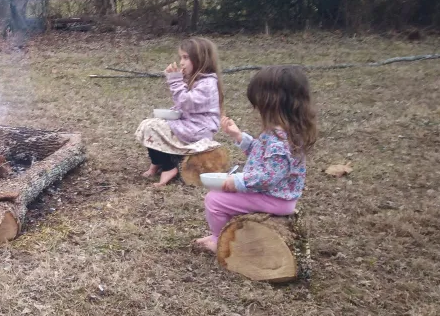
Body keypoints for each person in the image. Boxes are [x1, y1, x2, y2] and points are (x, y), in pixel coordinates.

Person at [193, 65, 318, 254]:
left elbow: (268, 177)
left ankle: (220, 240)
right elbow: (262, 156)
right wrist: (239, 137)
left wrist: (237, 182)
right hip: (278, 196)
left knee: (215, 200)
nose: (257, 110)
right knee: (223, 198)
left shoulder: (279, 142)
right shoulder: (284, 132)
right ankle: (225, 234)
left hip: (275, 198)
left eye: (258, 105)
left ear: (271, 104)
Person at [135, 37, 223, 187]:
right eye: (181, 57)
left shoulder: (207, 84)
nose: (181, 62)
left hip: (198, 129)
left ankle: (169, 167)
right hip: (191, 125)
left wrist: (175, 81)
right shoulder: (197, 80)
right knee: (150, 124)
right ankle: (156, 162)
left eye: (186, 58)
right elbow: (185, 106)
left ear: (201, 59)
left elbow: (187, 103)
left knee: (152, 127)